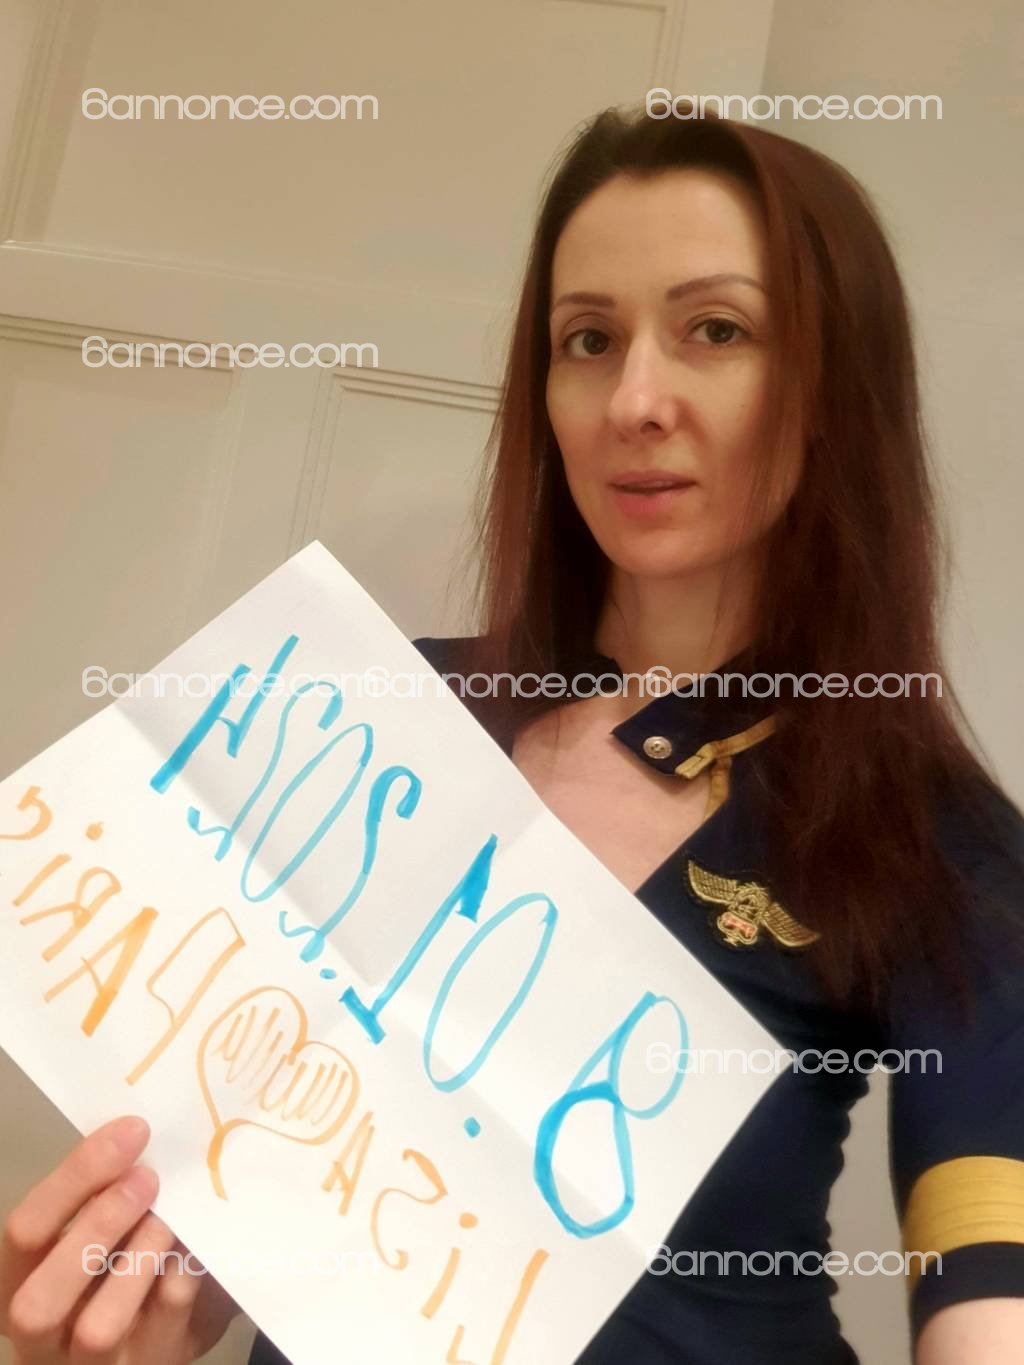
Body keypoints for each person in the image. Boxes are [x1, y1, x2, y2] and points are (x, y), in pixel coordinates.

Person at [4, 102, 1023, 1364]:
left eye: (715, 329)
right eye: (587, 339)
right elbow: (219, 1193)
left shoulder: (939, 842)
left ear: (833, 386)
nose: (632, 399)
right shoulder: (368, 721)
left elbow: (992, 1303)